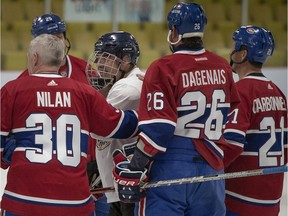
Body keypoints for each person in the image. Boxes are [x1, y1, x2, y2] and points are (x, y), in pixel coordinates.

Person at [112, 2, 240, 216]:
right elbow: (232, 116)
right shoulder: (222, 66)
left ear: (174, 31)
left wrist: (136, 166)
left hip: (171, 167)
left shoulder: (163, 68)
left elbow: (159, 130)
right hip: (212, 169)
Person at [0, 34, 138, 216]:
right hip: (75, 202)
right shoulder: (85, 93)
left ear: (34, 58)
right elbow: (121, 125)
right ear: (61, 59)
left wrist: (10, 154)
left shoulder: (12, 90)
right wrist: (152, 107)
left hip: (23, 200)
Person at [223, 25, 288, 216]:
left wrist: (208, 166)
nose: (230, 51)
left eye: (235, 46)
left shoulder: (241, 92)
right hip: (271, 199)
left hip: (239, 198)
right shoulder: (279, 94)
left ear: (243, 54)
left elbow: (232, 143)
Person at [86, 31, 145, 216]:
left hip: (130, 186)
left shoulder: (127, 88)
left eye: (106, 58)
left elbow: (97, 127)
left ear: (126, 59)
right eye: (99, 58)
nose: (99, 64)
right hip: (121, 184)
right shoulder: (121, 84)